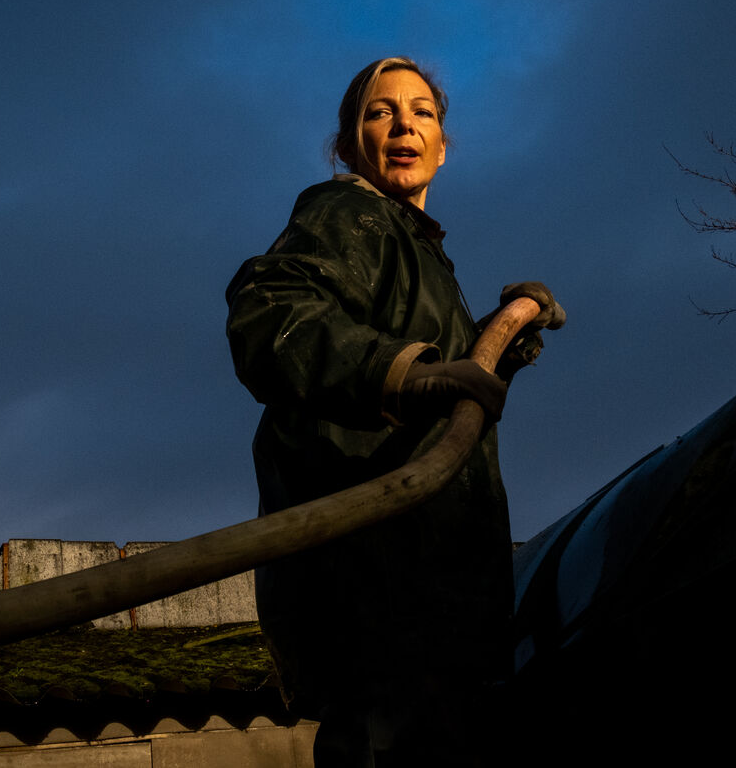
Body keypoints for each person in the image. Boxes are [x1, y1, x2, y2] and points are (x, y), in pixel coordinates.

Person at [225, 56, 564, 765]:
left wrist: (504, 337)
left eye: (422, 112)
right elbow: (272, 318)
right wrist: (400, 373)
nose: (404, 124)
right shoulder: (346, 212)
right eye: (380, 111)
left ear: (442, 147)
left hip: (437, 587)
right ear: (349, 146)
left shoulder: (417, 250)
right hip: (378, 584)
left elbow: (446, 388)